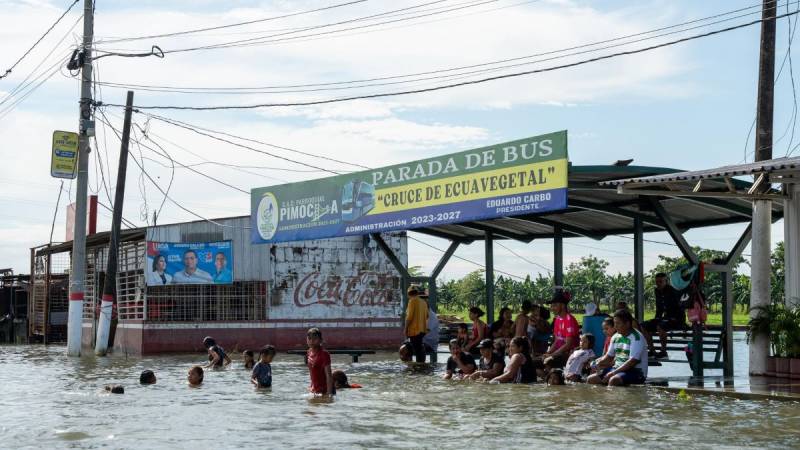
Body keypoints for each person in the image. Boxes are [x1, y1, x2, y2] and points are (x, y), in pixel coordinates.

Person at [588, 309, 648, 387]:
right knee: (591, 379)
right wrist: (597, 362)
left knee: (613, 380)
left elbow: (633, 361)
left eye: (618, 323)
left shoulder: (637, 337)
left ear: (627, 324)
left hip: (636, 372)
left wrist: (613, 373)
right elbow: (609, 356)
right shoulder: (615, 336)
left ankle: (614, 399)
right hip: (617, 369)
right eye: (614, 323)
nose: (615, 326)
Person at [643, 273, 686, 358]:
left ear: (666, 281)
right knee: (643, 326)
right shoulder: (657, 291)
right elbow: (659, 308)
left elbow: (682, 305)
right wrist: (656, 319)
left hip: (677, 318)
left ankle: (663, 352)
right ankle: (652, 351)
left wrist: (675, 318)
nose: (658, 283)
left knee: (660, 326)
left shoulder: (674, 290)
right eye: (657, 281)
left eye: (660, 281)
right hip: (665, 318)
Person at [543, 289, 579, 369]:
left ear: (562, 305)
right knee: (538, 360)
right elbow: (556, 341)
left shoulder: (570, 320)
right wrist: (548, 352)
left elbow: (568, 344)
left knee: (548, 362)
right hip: (558, 353)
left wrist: (552, 355)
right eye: (551, 306)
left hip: (568, 354)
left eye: (555, 305)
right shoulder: (557, 319)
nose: (552, 308)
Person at [404, 285, 429, 363]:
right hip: (422, 330)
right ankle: (421, 366)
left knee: (415, 350)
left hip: (414, 330)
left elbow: (409, 317)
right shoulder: (423, 302)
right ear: (417, 293)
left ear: (408, 294)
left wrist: (405, 329)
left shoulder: (412, 301)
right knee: (419, 349)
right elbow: (427, 316)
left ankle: (418, 369)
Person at [306, 328, 334, 396]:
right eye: (309, 338)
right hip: (315, 390)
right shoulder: (309, 352)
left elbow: (329, 375)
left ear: (321, 340)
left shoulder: (324, 354)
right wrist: (311, 387)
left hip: (325, 391)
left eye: (315, 339)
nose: (312, 341)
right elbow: (312, 373)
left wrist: (329, 394)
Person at [421, 291, 439, 356]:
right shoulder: (422, 315)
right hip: (422, 342)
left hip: (430, 344)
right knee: (404, 348)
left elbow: (425, 331)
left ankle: (421, 365)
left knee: (419, 348)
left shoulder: (432, 316)